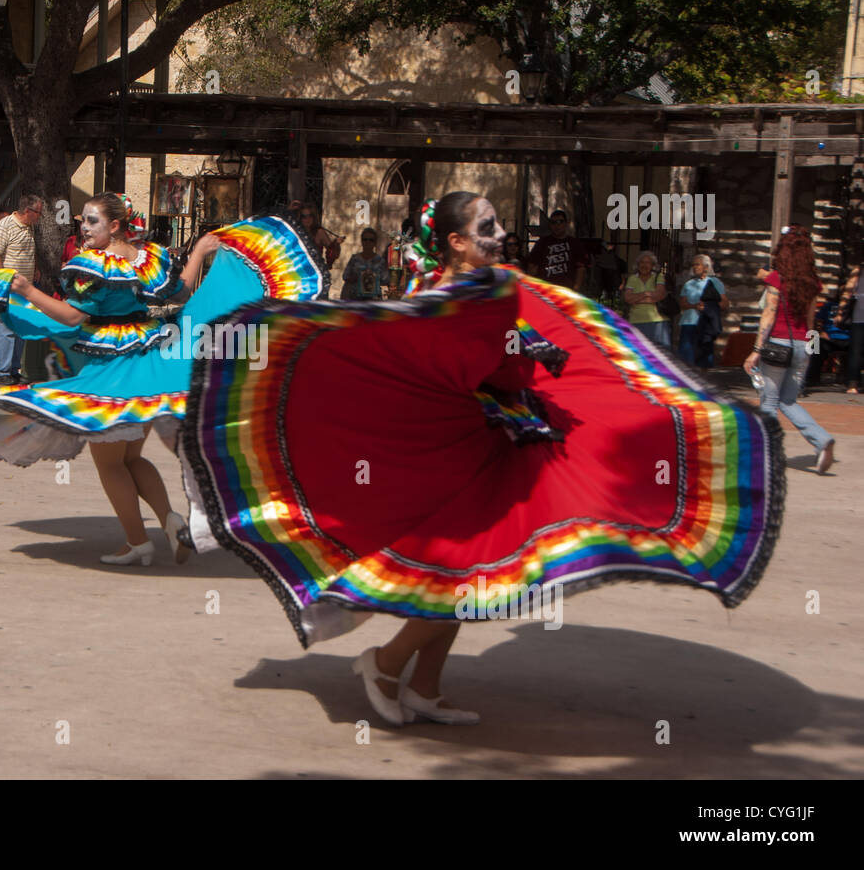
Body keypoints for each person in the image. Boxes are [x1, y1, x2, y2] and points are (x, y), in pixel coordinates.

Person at [178, 192, 784, 728]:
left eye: (498, 227)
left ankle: (424, 684)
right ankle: (386, 665)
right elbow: (462, 366)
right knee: (459, 575)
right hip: (449, 455)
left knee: (477, 571)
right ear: (456, 242)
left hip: (493, 444)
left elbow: (509, 352)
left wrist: (529, 349)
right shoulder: (443, 298)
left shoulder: (491, 292)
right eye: (487, 228)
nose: (501, 237)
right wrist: (517, 352)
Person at [0, 192, 327, 567]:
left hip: (110, 368)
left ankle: (136, 542)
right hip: (147, 356)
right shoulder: (149, 258)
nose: (83, 229)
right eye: (81, 222)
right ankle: (169, 523)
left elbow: (74, 316)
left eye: (91, 222)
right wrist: (200, 250)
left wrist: (25, 291)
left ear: (114, 225)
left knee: (110, 463)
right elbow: (180, 293)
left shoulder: (92, 265)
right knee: (131, 458)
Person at [744, 225, 834, 473]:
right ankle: (822, 440)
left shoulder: (776, 279)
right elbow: (810, 319)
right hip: (802, 345)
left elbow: (769, 314)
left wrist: (755, 349)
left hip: (777, 345)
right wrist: (812, 350)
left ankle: (767, 456)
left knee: (770, 401)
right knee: (789, 401)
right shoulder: (813, 283)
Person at [0, 195, 43, 385]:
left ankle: (13, 368)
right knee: (6, 328)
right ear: (28, 211)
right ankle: (2, 371)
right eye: (38, 212)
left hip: (25, 286)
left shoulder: (30, 227)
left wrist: (34, 268)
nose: (40, 216)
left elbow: (28, 251)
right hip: (9, 285)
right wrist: (1, 280)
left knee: (19, 327)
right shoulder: (4, 226)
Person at [678, 255, 727, 367]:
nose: (694, 267)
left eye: (697, 264)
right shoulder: (689, 284)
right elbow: (682, 303)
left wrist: (709, 306)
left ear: (706, 267)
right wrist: (694, 306)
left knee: (703, 357)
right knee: (686, 358)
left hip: (705, 324)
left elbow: (724, 303)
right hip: (688, 323)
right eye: (693, 265)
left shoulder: (715, 282)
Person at [525, 210, 586, 290]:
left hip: (567, 289)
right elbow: (532, 266)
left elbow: (580, 267)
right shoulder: (542, 243)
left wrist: (576, 287)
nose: (557, 225)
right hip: (546, 288)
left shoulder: (574, 243)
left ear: (566, 224)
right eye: (553, 222)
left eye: (560, 221)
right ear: (550, 225)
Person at [621, 251, 669, 348]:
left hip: (657, 321)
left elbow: (659, 295)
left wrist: (636, 299)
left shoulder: (658, 277)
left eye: (648, 263)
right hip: (636, 321)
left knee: (660, 353)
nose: (644, 265)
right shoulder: (632, 278)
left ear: (653, 265)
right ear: (638, 265)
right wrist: (646, 294)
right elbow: (627, 298)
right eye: (642, 262)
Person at [835, 262, 864, 393]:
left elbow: (847, 293)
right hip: (859, 317)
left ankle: (853, 383)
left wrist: (841, 312)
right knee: (856, 351)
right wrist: (841, 312)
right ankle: (853, 382)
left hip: (860, 316)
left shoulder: (859, 269)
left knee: (856, 350)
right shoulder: (859, 269)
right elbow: (848, 292)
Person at [291, 200, 341, 271]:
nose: (307, 219)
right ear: (300, 218)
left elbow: (332, 253)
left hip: (314, 272)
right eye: (304, 216)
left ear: (313, 217)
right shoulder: (295, 233)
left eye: (310, 216)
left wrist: (336, 244)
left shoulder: (319, 233)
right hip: (297, 271)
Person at [340, 227, 389, 300]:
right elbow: (345, 276)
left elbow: (386, 279)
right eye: (365, 239)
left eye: (371, 240)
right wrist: (356, 277)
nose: (367, 242)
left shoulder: (380, 261)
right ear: (361, 241)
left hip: (374, 300)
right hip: (355, 299)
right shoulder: (355, 259)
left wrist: (374, 278)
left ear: (375, 242)